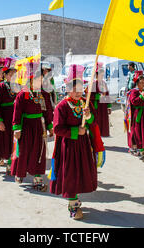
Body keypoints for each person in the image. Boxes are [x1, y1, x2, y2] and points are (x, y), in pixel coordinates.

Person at [49, 64, 105, 220]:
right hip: (68, 147)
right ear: (67, 89)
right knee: (71, 174)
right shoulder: (61, 106)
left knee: (81, 172)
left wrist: (89, 117)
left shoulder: (85, 104)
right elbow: (58, 129)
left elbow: (93, 123)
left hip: (83, 146)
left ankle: (75, 197)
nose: (78, 91)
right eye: (74, 88)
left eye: (80, 88)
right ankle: (73, 206)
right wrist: (75, 132)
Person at [11, 62, 54, 190]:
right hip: (26, 127)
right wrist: (16, 128)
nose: (40, 82)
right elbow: (17, 112)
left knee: (39, 152)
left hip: (39, 127)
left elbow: (47, 111)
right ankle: (20, 173)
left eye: (41, 79)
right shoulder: (22, 95)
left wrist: (50, 125)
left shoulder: (44, 94)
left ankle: (37, 178)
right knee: (24, 151)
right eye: (37, 79)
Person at [89, 62, 112, 137]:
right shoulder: (93, 84)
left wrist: (109, 106)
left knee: (103, 123)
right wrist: (99, 96)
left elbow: (107, 94)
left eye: (102, 75)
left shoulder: (104, 83)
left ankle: (101, 138)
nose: (101, 76)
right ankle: (96, 139)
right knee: (97, 122)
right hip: (96, 107)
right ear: (96, 75)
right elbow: (90, 96)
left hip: (103, 107)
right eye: (100, 75)